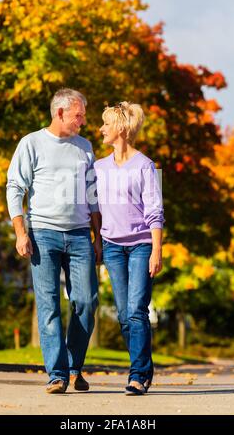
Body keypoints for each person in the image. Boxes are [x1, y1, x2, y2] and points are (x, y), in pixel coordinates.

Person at [6, 88, 101, 394]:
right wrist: (21, 232)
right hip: (42, 234)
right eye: (79, 115)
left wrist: (97, 237)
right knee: (49, 305)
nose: (83, 121)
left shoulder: (85, 147)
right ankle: (57, 374)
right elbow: (14, 188)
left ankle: (75, 367)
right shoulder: (31, 143)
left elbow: (93, 197)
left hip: (79, 234)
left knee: (86, 301)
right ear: (60, 112)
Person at [94, 101, 165, 395]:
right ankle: (145, 368)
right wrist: (97, 242)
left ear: (121, 128)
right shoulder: (98, 167)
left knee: (136, 310)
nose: (101, 129)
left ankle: (137, 374)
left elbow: (155, 211)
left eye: (106, 124)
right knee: (124, 315)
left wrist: (157, 250)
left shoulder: (145, 166)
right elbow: (92, 208)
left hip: (140, 246)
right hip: (111, 246)